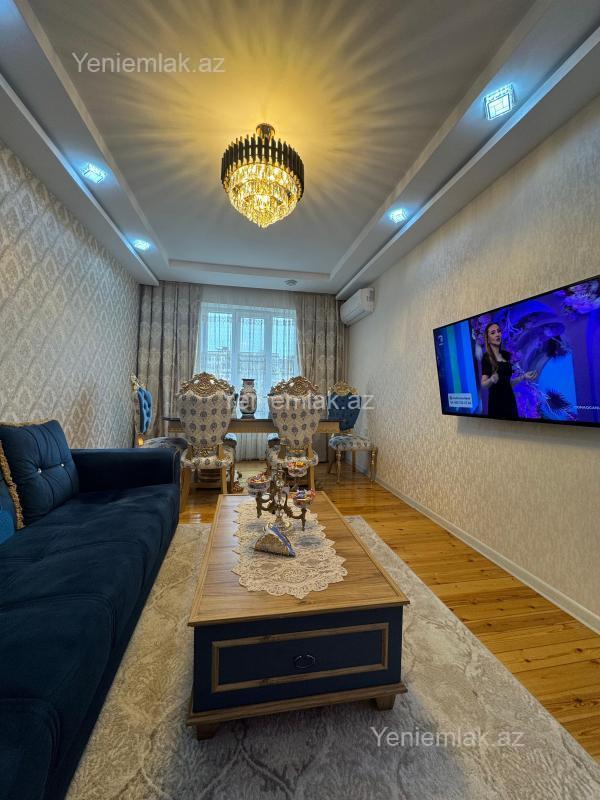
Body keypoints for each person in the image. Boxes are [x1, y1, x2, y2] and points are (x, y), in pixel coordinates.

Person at [480, 322, 537, 419]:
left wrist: (523, 377)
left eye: (499, 331)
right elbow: (483, 384)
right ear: (488, 339)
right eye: (493, 333)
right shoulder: (486, 358)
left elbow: (507, 384)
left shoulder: (506, 355)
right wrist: (491, 380)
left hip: (510, 401)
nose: (497, 334)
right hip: (497, 404)